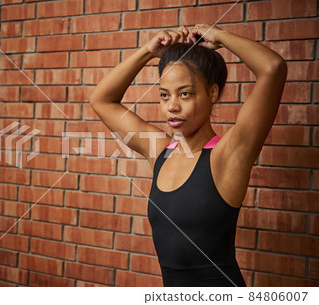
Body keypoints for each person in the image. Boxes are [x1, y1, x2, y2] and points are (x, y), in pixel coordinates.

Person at [89, 24, 287, 287]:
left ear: (212, 93)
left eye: (185, 94)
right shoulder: (159, 150)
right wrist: (148, 52)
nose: (172, 106)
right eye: (164, 95)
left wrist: (220, 37)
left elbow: (272, 68)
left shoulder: (227, 155)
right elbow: (101, 100)